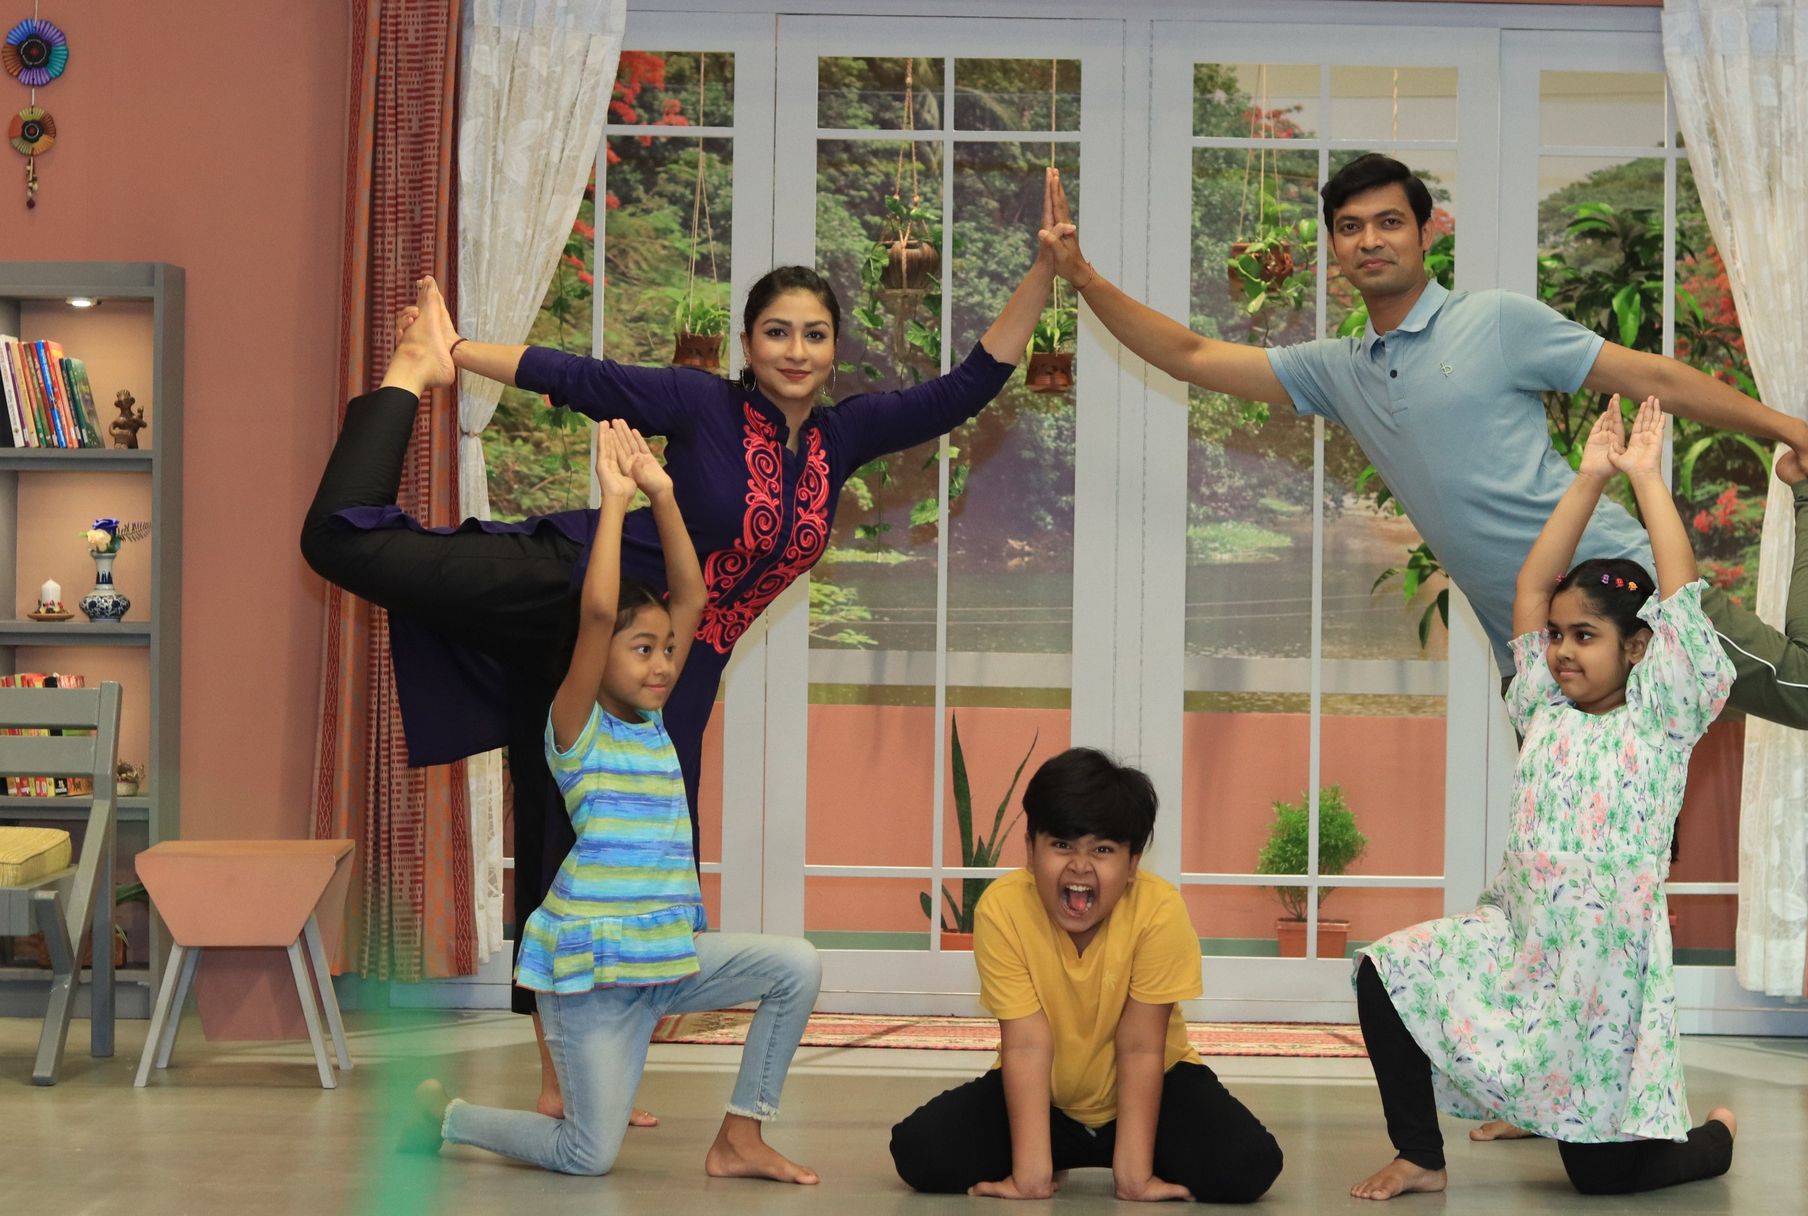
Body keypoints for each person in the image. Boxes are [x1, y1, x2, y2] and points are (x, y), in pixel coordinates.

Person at [302, 174, 1059, 1124]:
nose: (796, 350)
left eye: (813, 334)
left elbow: (968, 386)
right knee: (341, 545)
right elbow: (580, 377)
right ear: (747, 344)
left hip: (674, 668)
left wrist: (1044, 271)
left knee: (606, 851)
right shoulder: (703, 405)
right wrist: (453, 352)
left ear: (835, 348)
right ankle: (410, 372)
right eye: (776, 332)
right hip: (574, 586)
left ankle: (568, 1081)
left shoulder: (844, 437)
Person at [1034, 155, 1808, 730]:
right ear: (1334, 247)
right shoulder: (1338, 369)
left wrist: (1795, 434)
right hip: (1530, 640)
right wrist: (1082, 278)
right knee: (1574, 856)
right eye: (1351, 227)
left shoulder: (1497, 323)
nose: (1371, 240)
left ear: (1425, 231)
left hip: (1619, 587)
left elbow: (1653, 377)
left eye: (1389, 222)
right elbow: (1190, 355)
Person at [404, 389, 823, 1182]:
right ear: (600, 659)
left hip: (666, 961)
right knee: (587, 1154)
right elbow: (597, 613)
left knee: (795, 965)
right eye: (643, 650)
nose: (662, 664)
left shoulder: (654, 723)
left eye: (666, 650)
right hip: (592, 980)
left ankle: (741, 1136)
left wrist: (663, 494)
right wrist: (614, 505)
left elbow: (692, 596)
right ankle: (449, 1117)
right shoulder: (576, 727)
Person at [1351, 397, 1742, 1201]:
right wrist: (1588, 479)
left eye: (1585, 636)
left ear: (1639, 648)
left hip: (1603, 980)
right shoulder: (1542, 707)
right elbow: (1531, 585)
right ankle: (1421, 1155)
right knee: (1385, 975)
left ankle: (1715, 1138)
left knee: (1600, 1179)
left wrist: (1645, 479)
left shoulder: (1662, 719)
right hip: (1520, 941)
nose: (1561, 650)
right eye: (1558, 635)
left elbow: (1682, 603)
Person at [888, 748, 1284, 1204]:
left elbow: (1140, 1047)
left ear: (1132, 864)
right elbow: (1026, 1045)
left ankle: (1131, 1153)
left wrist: (1134, 1178)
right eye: (1061, 845)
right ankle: (1050, 1152)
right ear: (1031, 851)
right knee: (919, 1152)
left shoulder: (1159, 911)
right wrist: (1030, 1176)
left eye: (1102, 850)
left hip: (1152, 1089)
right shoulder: (1002, 909)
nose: (1079, 865)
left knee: (1248, 1165)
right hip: (1045, 1099)